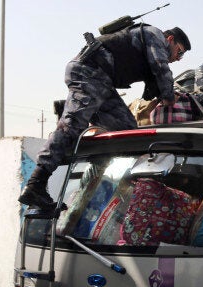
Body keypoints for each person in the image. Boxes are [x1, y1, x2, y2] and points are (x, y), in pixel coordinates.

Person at [18, 24, 191, 213]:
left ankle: (101, 179)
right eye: (179, 52)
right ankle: (36, 184)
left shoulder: (151, 43)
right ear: (170, 40)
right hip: (90, 72)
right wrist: (168, 95)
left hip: (102, 80)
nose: (177, 58)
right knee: (72, 126)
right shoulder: (154, 35)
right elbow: (160, 66)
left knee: (126, 128)